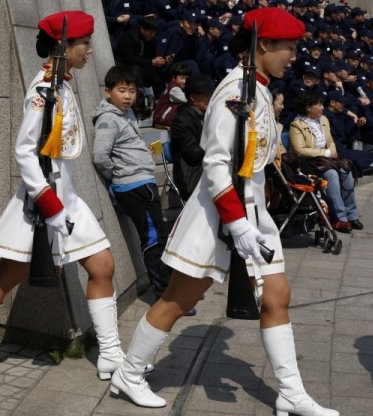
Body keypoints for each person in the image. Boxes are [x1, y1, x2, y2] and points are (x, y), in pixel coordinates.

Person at [109, 8, 340, 416]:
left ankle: (290, 391)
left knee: (277, 295)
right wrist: (235, 223)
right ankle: (129, 373)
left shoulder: (260, 88)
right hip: (219, 215)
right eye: (287, 47)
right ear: (263, 45)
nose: (293, 55)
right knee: (178, 300)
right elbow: (216, 165)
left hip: (252, 214)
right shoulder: (235, 91)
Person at [0, 10, 133, 383]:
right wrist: (50, 205)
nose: (90, 51)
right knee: (5, 276)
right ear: (63, 45)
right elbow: (24, 151)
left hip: (67, 197)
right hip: (43, 201)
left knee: (103, 265)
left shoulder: (61, 84)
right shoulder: (43, 89)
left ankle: (110, 353)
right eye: (83, 43)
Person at [91, 65, 194, 314]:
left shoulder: (126, 115)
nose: (127, 96)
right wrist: (117, 178)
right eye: (121, 90)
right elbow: (100, 156)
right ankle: (164, 299)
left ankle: (169, 291)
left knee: (158, 237)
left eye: (132, 91)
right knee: (152, 240)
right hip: (133, 186)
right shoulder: (108, 119)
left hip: (142, 183)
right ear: (108, 92)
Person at [289, 91, 362, 233]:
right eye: (319, 104)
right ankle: (338, 218)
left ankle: (352, 214)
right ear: (308, 107)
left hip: (327, 159)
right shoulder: (296, 124)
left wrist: (332, 153)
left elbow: (330, 141)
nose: (323, 107)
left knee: (346, 170)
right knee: (332, 175)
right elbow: (299, 150)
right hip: (309, 163)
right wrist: (326, 153)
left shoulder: (323, 120)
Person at [170, 75, 215, 200]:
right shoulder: (181, 121)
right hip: (192, 176)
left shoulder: (207, 115)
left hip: (208, 170)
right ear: (193, 97)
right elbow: (193, 154)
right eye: (206, 95)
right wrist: (215, 139)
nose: (210, 99)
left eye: (211, 95)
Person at [153, 62, 190, 127]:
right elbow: (186, 101)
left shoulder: (172, 85)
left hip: (160, 117)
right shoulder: (174, 89)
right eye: (181, 78)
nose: (184, 81)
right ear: (173, 78)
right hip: (162, 118)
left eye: (186, 78)